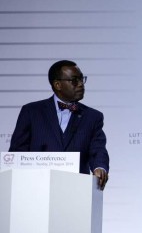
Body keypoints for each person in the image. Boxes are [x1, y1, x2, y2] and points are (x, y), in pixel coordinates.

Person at [9, 60, 110, 190]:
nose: (80, 84)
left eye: (81, 79)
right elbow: (17, 152)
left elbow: (98, 149)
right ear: (57, 84)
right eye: (74, 80)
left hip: (76, 190)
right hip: (35, 189)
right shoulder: (31, 111)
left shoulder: (93, 116)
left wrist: (99, 167)